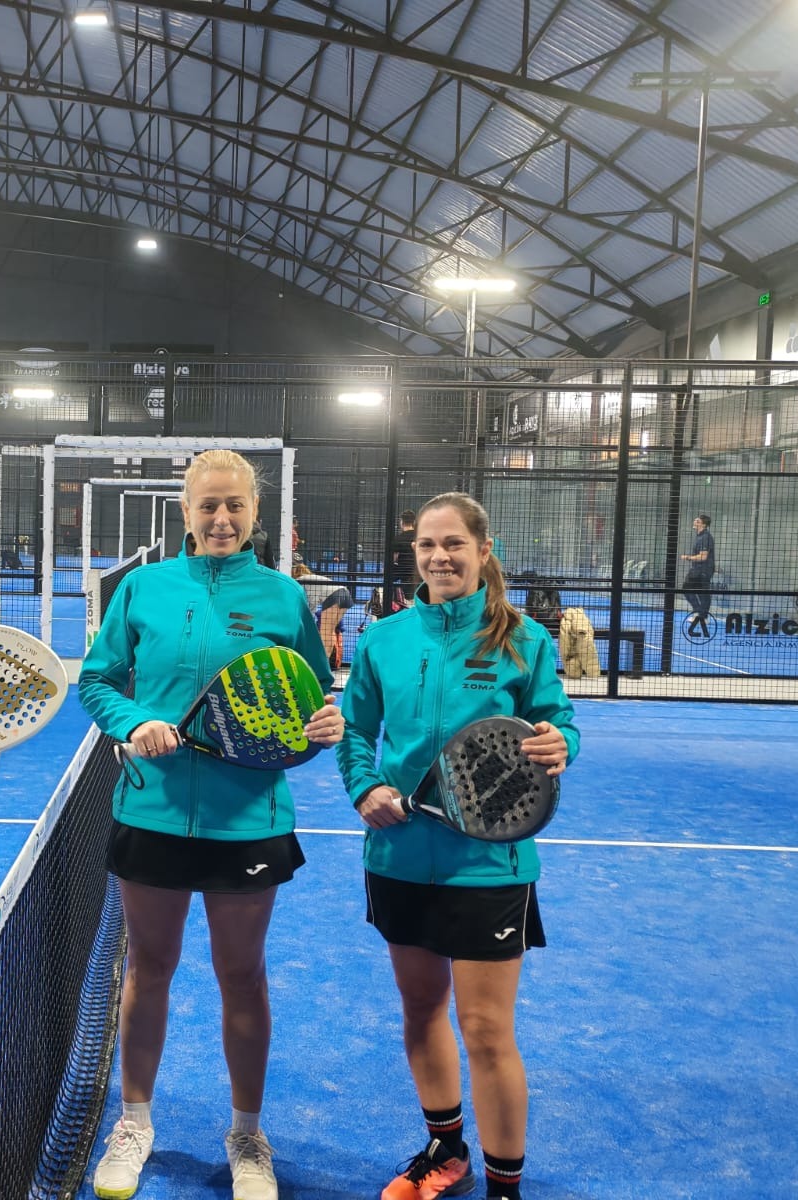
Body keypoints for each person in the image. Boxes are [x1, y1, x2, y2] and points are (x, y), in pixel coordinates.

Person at [77, 449, 345, 1200]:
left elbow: (309, 700)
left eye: (235, 506)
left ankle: (247, 1136)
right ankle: (134, 1123)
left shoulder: (284, 597)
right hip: (151, 810)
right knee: (148, 968)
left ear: (255, 512)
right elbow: (97, 681)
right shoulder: (144, 589)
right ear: (186, 511)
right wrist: (134, 722)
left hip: (248, 821)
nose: (221, 519)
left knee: (242, 975)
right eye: (208, 506)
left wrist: (324, 729)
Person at [336, 492, 577, 1200]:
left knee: (486, 1029)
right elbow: (356, 732)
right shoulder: (383, 639)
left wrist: (562, 742)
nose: (439, 557)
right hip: (400, 856)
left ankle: (505, 1187)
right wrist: (364, 787)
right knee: (420, 1010)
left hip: (490, 864)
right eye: (427, 546)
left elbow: (557, 723)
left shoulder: (523, 640)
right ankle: (447, 1151)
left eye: (453, 545)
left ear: (482, 550)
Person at [680, 513, 715, 636]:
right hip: (697, 569)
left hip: (703, 570)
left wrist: (688, 557)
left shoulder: (706, 537)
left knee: (701, 592)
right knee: (689, 589)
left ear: (704, 525)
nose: (695, 522)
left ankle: (702, 616)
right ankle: (700, 613)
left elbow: (703, 557)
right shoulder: (700, 536)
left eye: (698, 521)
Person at [387, 509, 418, 611]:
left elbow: (393, 559)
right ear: (414, 522)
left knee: (407, 600)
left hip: (404, 574)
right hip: (418, 573)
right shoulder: (419, 537)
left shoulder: (398, 539)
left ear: (401, 522)